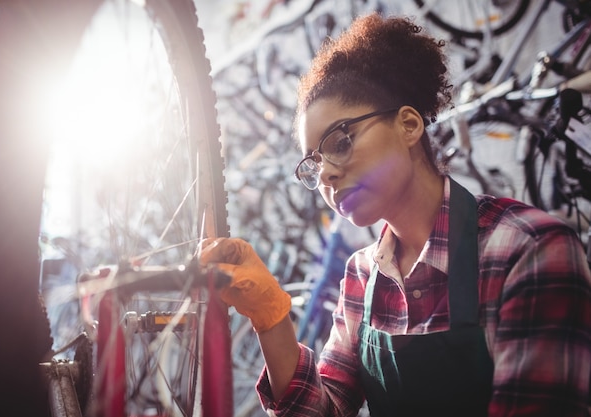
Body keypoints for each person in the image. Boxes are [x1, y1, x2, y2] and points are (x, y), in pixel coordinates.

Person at [200, 13, 591, 417]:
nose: (328, 173)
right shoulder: (363, 276)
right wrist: (271, 318)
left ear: (408, 125)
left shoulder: (529, 251)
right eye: (314, 165)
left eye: (340, 140)